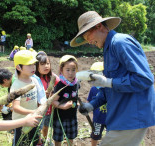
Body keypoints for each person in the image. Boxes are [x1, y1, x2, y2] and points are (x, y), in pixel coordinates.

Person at [70, 11, 155, 146]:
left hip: (131, 116)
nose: (89, 41)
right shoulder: (108, 49)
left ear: (99, 26)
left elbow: (144, 79)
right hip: (120, 117)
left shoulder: (120, 42)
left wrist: (108, 82)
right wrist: (93, 104)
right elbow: (110, 87)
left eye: (87, 35)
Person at [11, 50, 46, 146]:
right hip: (21, 123)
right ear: (19, 67)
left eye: (34, 64)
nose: (33, 67)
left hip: (33, 120)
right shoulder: (17, 85)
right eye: (29, 65)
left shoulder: (34, 80)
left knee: (33, 141)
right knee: (21, 143)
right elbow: (16, 107)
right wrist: (32, 112)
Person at [52, 55, 79, 146]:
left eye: (73, 70)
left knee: (70, 137)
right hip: (60, 117)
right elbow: (53, 101)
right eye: (67, 70)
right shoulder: (60, 85)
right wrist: (61, 106)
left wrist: (77, 103)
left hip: (72, 116)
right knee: (58, 138)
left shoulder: (76, 83)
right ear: (61, 70)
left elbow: (75, 96)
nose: (71, 73)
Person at [35, 51, 60, 139]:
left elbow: (60, 85)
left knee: (46, 126)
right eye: (42, 64)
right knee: (38, 128)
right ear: (36, 66)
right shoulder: (35, 79)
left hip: (50, 109)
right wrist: (42, 94)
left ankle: (45, 138)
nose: (46, 66)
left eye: (48, 63)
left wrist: (53, 93)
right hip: (38, 109)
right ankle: (39, 141)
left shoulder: (52, 77)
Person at [87, 62, 106, 146]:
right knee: (95, 135)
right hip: (98, 119)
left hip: (110, 118)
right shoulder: (94, 89)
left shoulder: (110, 88)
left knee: (112, 135)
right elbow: (89, 102)